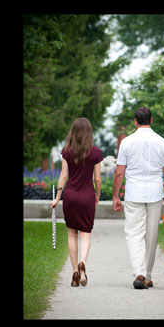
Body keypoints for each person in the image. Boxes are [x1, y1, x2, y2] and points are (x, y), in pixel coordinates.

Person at [112, 107, 164, 290]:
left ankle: (139, 272)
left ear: (135, 121)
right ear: (152, 120)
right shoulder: (162, 142)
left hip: (133, 193)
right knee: (151, 234)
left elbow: (119, 172)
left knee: (134, 233)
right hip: (155, 192)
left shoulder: (126, 143)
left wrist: (116, 195)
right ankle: (147, 275)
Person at [51, 117, 103, 287]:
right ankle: (83, 263)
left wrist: (58, 198)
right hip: (87, 196)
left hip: (71, 197)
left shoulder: (66, 151)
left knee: (72, 234)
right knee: (85, 233)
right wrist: (98, 195)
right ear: (89, 132)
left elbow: (63, 175)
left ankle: (74, 270)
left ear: (73, 131)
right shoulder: (95, 152)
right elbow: (97, 178)